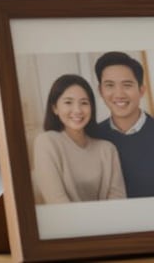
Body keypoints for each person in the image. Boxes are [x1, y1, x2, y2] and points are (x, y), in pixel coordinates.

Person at [90, 51, 154, 197]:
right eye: (109, 85)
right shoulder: (91, 138)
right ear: (100, 91)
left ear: (141, 90)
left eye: (127, 85)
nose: (118, 93)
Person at [32, 74, 127, 204]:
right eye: (68, 102)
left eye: (84, 103)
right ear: (55, 108)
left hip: (107, 223)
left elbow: (118, 201)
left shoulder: (107, 149)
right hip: (67, 223)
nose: (77, 110)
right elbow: (57, 201)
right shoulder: (47, 142)